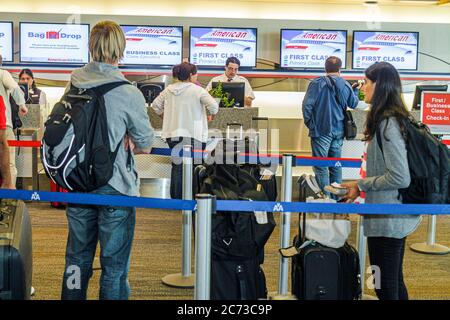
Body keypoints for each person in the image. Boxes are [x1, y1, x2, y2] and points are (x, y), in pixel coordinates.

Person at [61, 20, 154, 300]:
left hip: (78, 184)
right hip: (115, 188)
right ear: (120, 50)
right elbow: (146, 145)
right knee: (113, 268)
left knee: (76, 262)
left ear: (91, 46)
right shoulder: (128, 92)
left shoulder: (73, 82)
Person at [341, 62, 421, 300]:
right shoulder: (388, 119)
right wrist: (359, 187)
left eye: (366, 82)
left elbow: (400, 176)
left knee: (384, 286)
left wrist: (361, 185)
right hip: (385, 215)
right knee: (390, 281)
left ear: (380, 85)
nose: (362, 87)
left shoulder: (388, 122)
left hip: (388, 217)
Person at [151, 62, 219, 199]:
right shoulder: (197, 90)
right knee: (195, 167)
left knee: (177, 166)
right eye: (196, 74)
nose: (197, 76)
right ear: (190, 75)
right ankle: (194, 198)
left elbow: (155, 106)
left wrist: (165, 116)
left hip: (173, 134)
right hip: (195, 135)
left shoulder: (168, 90)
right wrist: (209, 114)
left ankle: (176, 200)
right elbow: (214, 107)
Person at [302, 56, 359, 196]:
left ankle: (325, 199)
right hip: (339, 131)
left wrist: (311, 124)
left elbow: (307, 105)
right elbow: (354, 103)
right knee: (336, 166)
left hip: (321, 130)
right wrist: (355, 90)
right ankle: (337, 199)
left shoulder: (317, 83)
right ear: (340, 69)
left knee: (321, 166)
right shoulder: (345, 85)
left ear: (325, 68)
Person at [0, 55, 27, 188]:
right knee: (9, 163)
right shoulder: (3, 73)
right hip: (3, 126)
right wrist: (22, 104)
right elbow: (15, 88)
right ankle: (9, 198)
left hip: (4, 124)